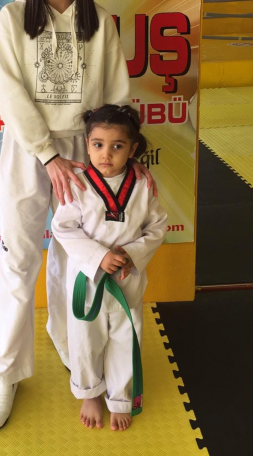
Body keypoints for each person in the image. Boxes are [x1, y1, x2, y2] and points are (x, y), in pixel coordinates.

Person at [0, 0, 155, 429]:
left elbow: (117, 100)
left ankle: (71, 349)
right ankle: (6, 375)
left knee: (77, 262)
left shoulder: (99, 22)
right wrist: (47, 154)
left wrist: (118, 162)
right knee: (17, 262)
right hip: (29, 151)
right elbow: (9, 94)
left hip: (87, 153)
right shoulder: (13, 18)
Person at [52, 104, 168, 431]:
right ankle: (89, 392)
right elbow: (63, 228)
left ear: (132, 149)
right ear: (87, 145)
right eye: (98, 145)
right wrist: (98, 256)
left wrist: (132, 254)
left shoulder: (143, 185)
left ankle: (119, 397)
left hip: (127, 279)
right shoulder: (77, 185)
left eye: (117, 146)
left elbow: (157, 226)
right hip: (87, 280)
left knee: (126, 336)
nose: (106, 154)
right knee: (85, 338)